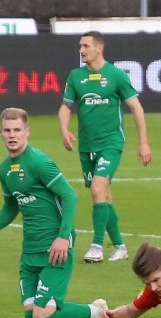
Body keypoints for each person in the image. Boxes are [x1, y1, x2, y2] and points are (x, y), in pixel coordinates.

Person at [0, 107, 119, 318]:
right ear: (0, 132)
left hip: (55, 249)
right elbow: (10, 206)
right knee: (32, 316)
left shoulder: (39, 162)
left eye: (17, 130)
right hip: (30, 252)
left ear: (27, 131)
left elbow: (70, 196)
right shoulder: (5, 169)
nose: (12, 135)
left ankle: (96, 312)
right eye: (7, 130)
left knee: (42, 313)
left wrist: (64, 236)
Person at [58, 30, 152, 264]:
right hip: (86, 146)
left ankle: (96, 246)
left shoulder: (116, 75)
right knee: (104, 196)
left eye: (86, 46)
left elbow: (137, 108)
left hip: (111, 142)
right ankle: (120, 246)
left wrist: (143, 143)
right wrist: (64, 129)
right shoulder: (75, 76)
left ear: (99, 48)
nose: (81, 50)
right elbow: (66, 106)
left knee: (98, 189)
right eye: (80, 46)